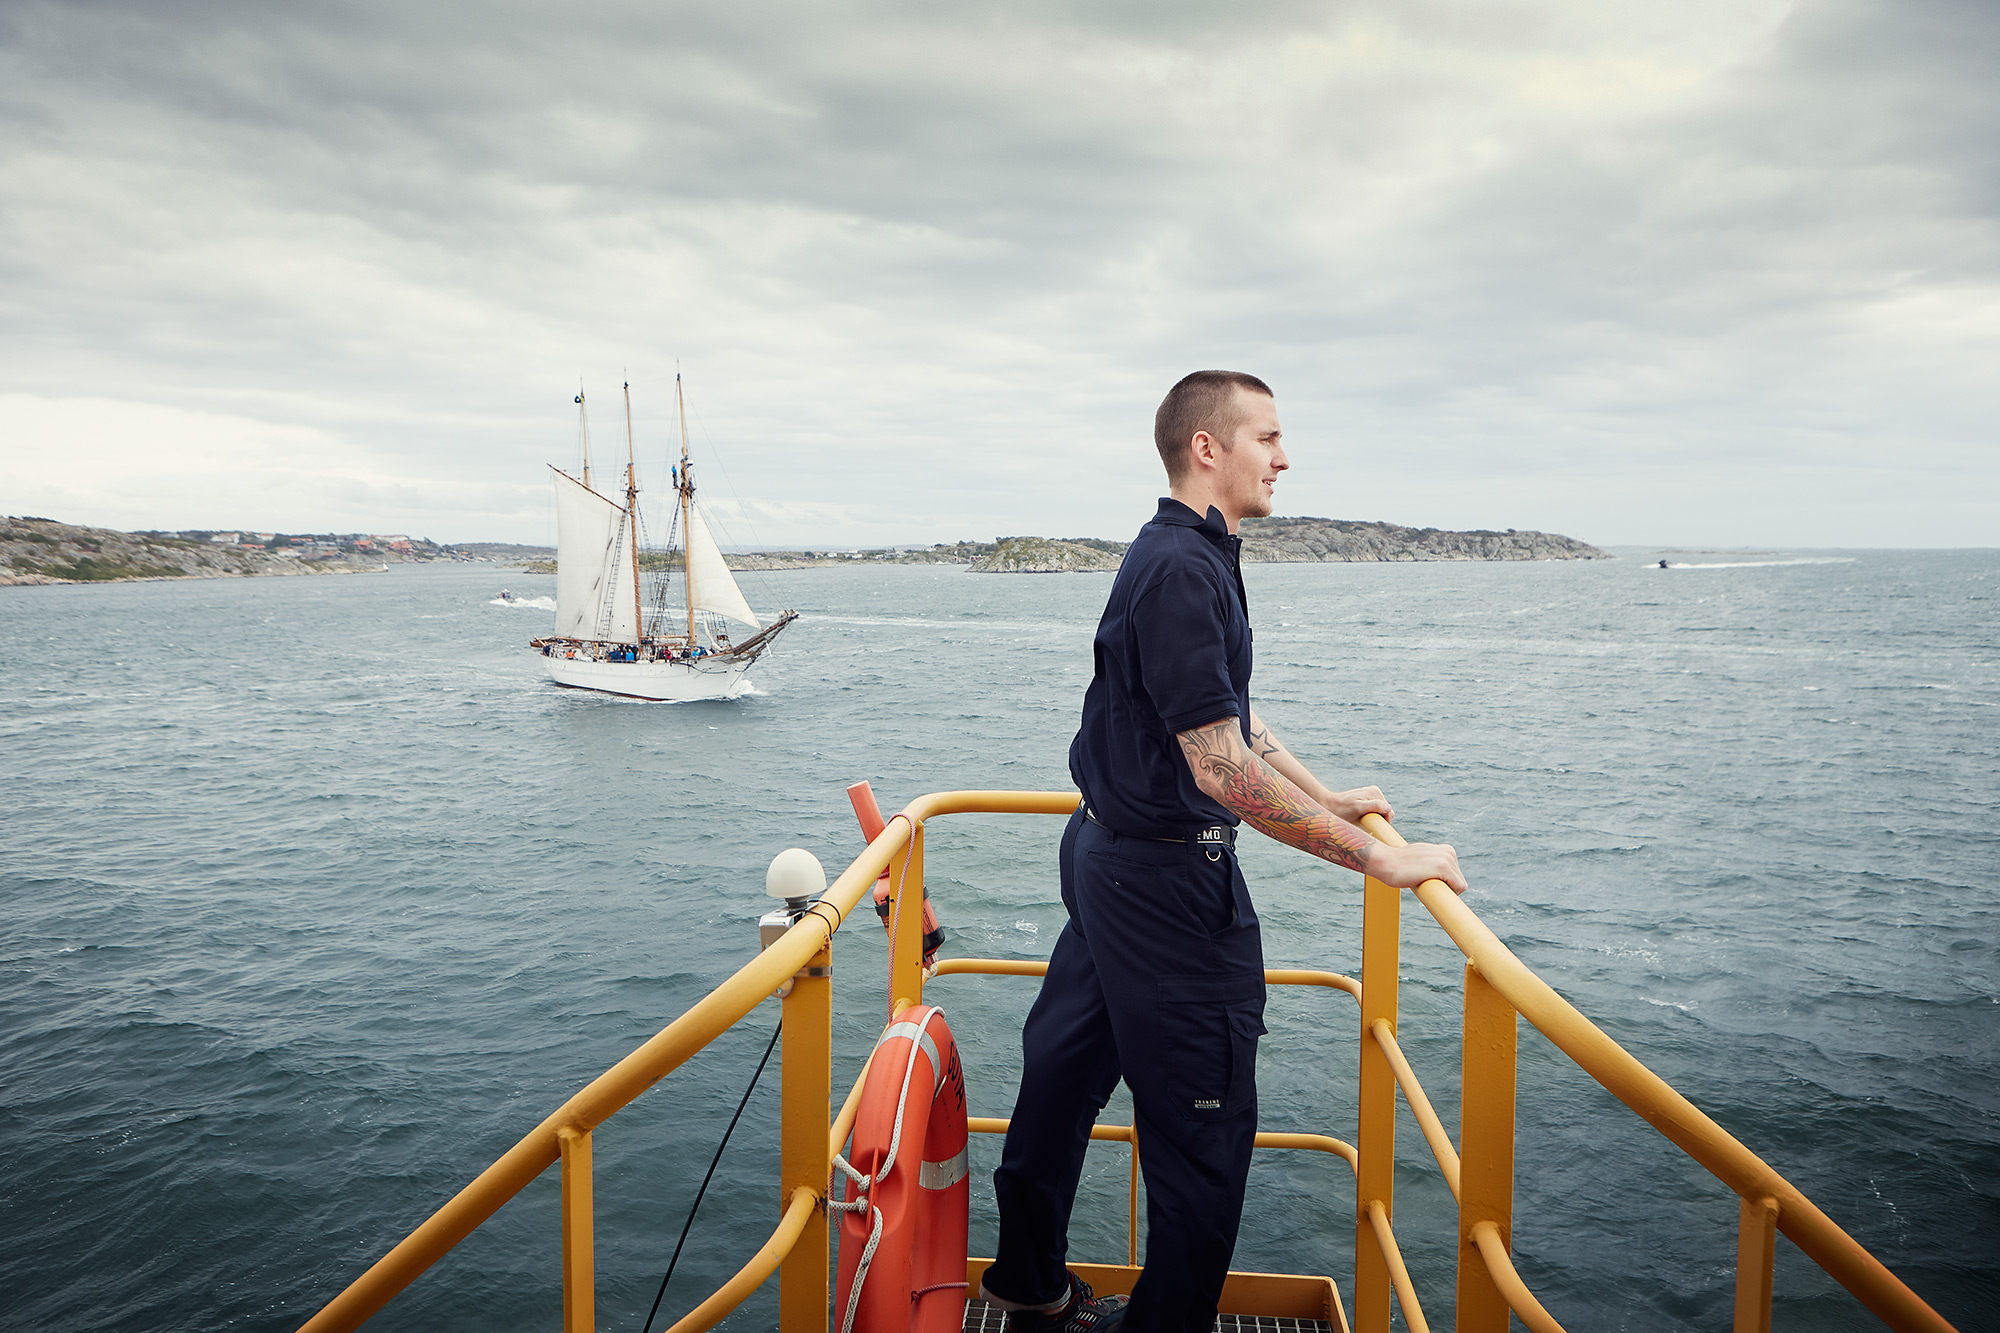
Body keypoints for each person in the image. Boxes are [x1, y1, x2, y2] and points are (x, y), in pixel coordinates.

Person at [978, 371, 1469, 1332]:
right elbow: (1216, 765)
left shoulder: (1193, 553)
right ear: (1209, 448)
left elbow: (1231, 717)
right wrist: (1382, 862)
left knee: (1065, 1068)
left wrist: (1326, 793)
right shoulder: (1180, 570)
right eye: (1268, 438)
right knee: (1203, 1135)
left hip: (1109, 857)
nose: (1284, 457)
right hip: (1161, 880)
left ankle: (1025, 1282)